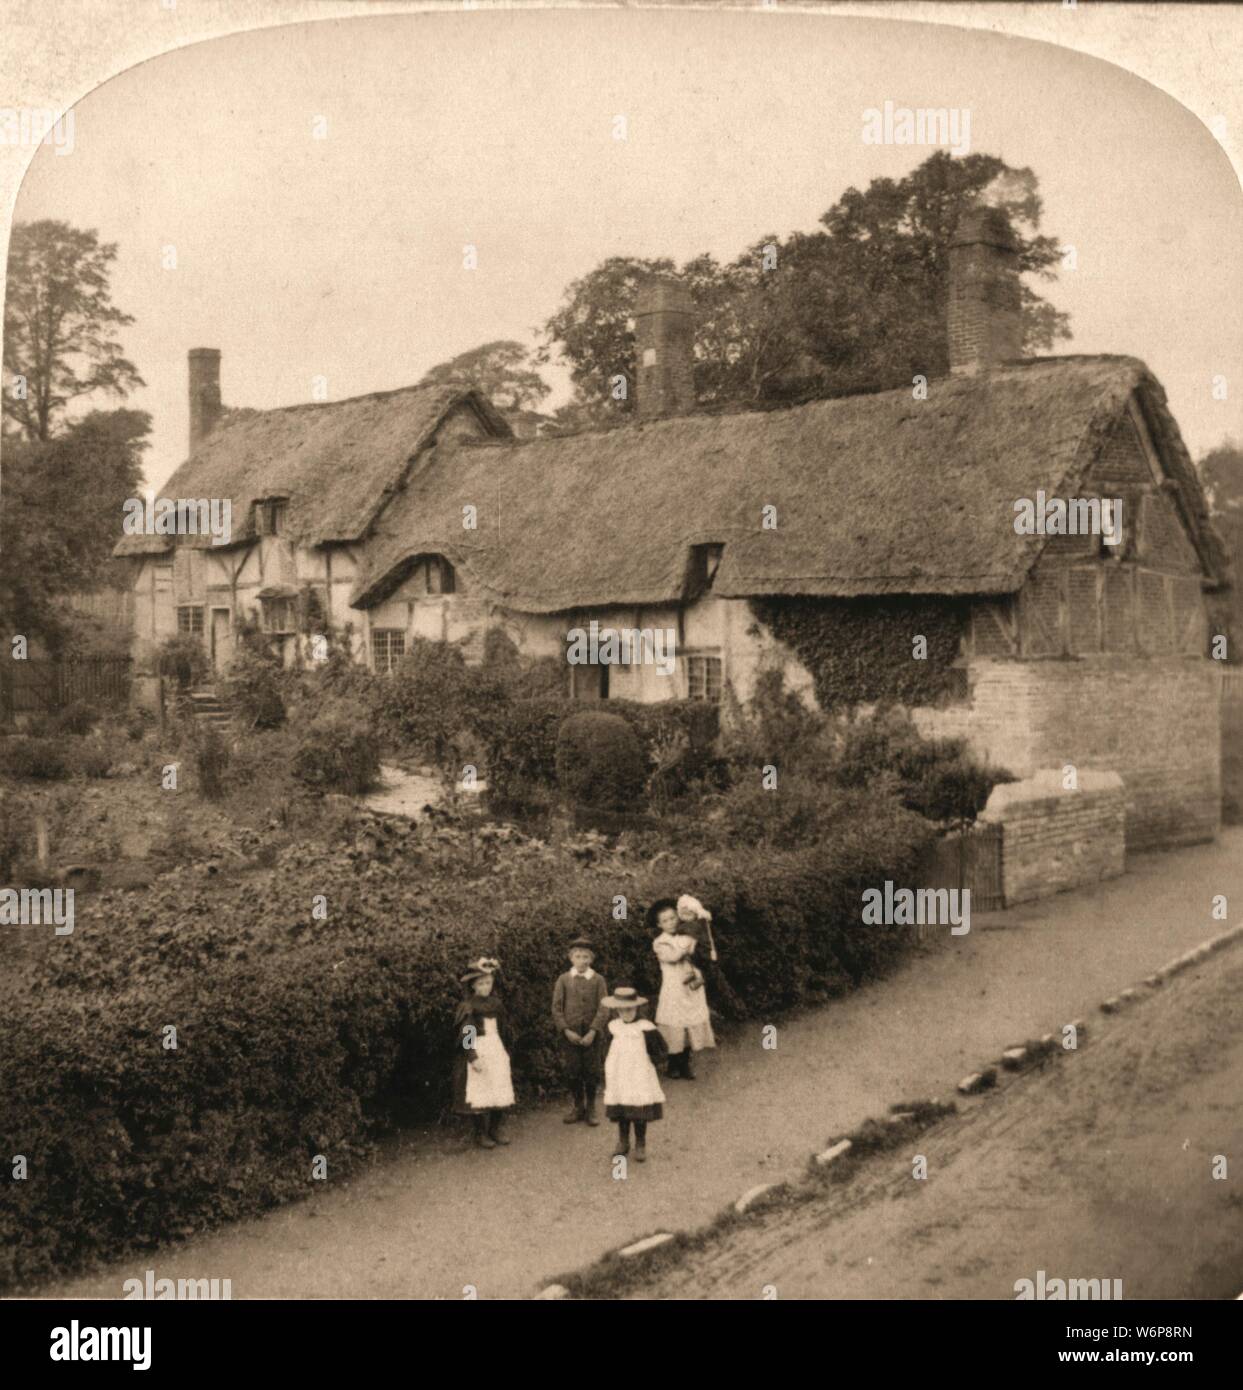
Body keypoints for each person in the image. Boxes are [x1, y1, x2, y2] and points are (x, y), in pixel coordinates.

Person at [650, 898, 716, 1079]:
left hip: (691, 985)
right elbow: (673, 956)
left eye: (673, 918)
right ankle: (673, 1064)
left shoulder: (685, 934)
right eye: (665, 921)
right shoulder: (659, 942)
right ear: (659, 924)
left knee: (688, 1025)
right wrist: (689, 941)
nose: (671, 923)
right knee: (675, 1026)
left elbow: (700, 951)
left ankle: (685, 1065)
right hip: (674, 989)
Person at [451, 964, 515, 1149]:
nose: (485, 987)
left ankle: (496, 1129)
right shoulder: (469, 1006)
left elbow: (503, 1028)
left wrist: (506, 1049)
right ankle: (481, 1133)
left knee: (499, 1088)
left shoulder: (496, 1004)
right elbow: (467, 1033)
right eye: (481, 984)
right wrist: (473, 1057)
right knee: (481, 1091)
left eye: (488, 983)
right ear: (473, 986)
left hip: (496, 1048)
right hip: (480, 1049)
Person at [601, 985, 666, 1162]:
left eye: (629, 1009)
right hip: (620, 1072)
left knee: (639, 1108)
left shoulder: (645, 1027)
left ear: (637, 1008)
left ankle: (640, 1143)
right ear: (616, 1011)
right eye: (621, 1010)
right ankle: (623, 1141)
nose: (626, 1013)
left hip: (639, 1073)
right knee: (622, 1106)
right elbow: (606, 1049)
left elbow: (659, 1050)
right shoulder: (613, 1027)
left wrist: (655, 1065)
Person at [551, 935, 609, 1126]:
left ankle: (591, 1107)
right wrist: (566, 1030)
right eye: (578, 956)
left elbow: (604, 1007)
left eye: (586, 957)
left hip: (592, 1035)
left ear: (591, 959)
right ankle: (578, 1106)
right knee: (573, 1070)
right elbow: (556, 1008)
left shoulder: (598, 980)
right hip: (571, 1035)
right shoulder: (564, 980)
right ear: (571, 958)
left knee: (592, 1071)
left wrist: (593, 1031)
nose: (582, 960)